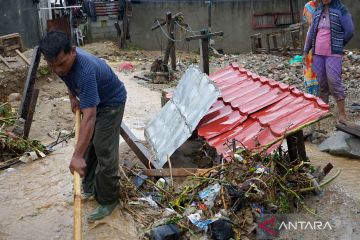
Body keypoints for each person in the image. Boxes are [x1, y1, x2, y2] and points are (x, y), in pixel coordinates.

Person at [39, 31, 127, 222]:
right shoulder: (60, 65)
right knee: (87, 145)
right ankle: (88, 188)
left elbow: (90, 117)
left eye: (61, 64)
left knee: (103, 147)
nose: (58, 70)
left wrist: (76, 156)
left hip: (111, 102)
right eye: (52, 65)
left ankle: (109, 200)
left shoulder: (85, 70)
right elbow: (67, 78)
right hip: (94, 100)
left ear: (73, 51)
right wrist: (72, 97)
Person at [303, 0, 354, 125]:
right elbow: (311, 33)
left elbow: (350, 31)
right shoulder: (317, 11)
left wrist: (339, 44)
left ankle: (342, 114)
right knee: (322, 84)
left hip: (333, 54)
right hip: (317, 54)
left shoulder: (341, 10)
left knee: (334, 82)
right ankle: (323, 112)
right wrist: (305, 51)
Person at [303, 0, 320, 96]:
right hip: (313, 38)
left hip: (325, 39)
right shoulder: (309, 6)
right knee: (311, 65)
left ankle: (321, 93)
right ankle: (311, 93)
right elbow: (311, 23)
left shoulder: (327, 4)